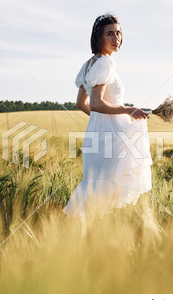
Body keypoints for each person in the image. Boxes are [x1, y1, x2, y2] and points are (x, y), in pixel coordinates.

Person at [62, 12, 153, 218]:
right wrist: (128, 110)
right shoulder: (106, 63)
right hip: (111, 138)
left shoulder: (89, 64)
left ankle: (76, 228)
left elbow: (81, 103)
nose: (116, 38)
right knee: (111, 185)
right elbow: (95, 103)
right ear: (98, 38)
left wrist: (101, 120)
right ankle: (95, 236)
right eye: (110, 34)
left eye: (118, 33)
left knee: (94, 184)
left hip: (96, 133)